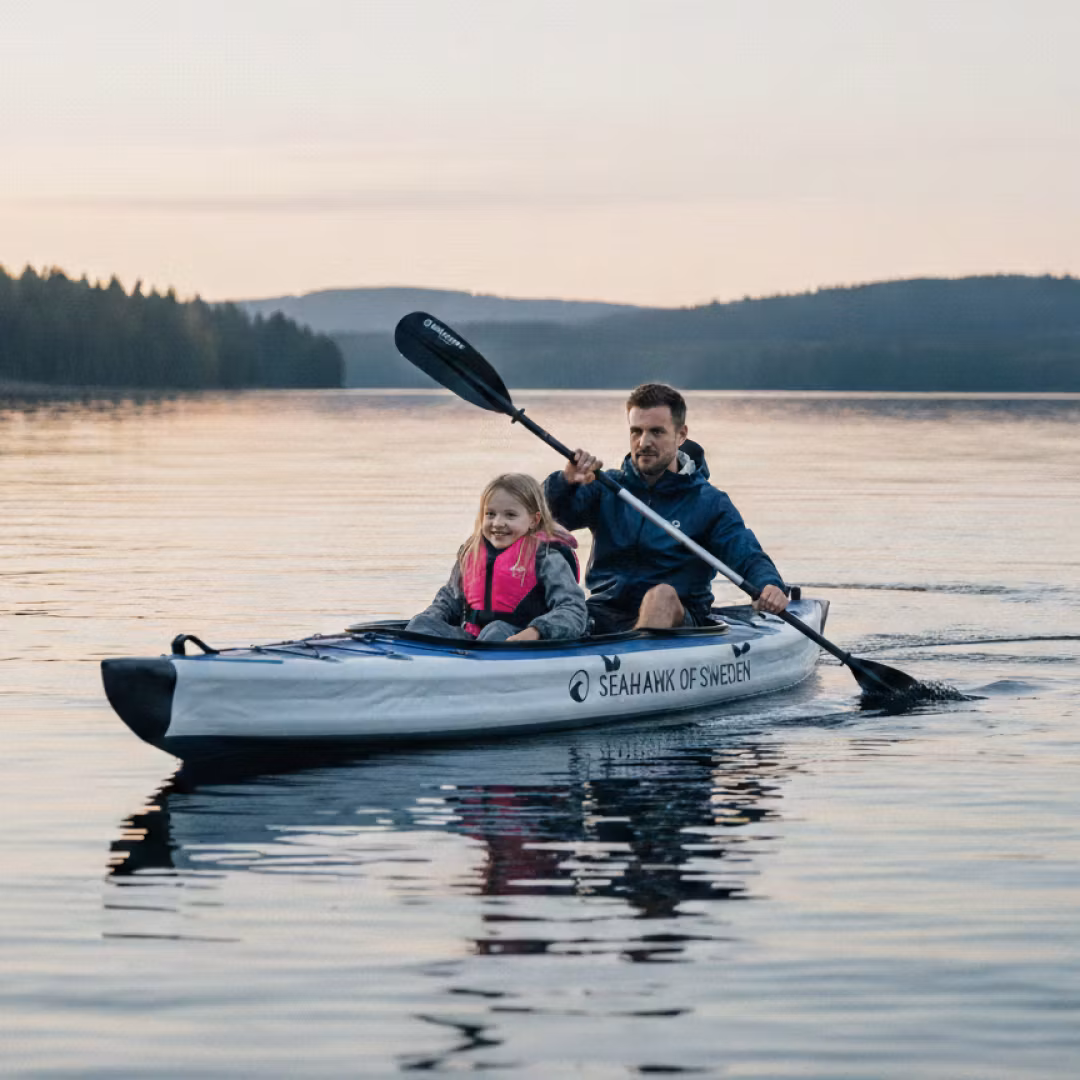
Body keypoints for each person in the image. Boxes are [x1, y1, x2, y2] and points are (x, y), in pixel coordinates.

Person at [544, 383, 789, 635]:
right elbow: (537, 517)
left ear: (681, 435)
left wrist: (769, 584)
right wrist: (565, 482)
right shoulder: (604, 487)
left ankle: (637, 652)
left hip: (678, 619)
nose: (644, 442)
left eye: (656, 432)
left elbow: (745, 553)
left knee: (660, 596)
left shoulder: (709, 502)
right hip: (604, 611)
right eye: (636, 431)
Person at [407, 473, 588, 642]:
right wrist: (427, 622)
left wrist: (536, 631)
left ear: (534, 520)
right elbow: (449, 600)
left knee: (496, 630)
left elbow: (574, 610)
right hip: (471, 641)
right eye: (490, 514)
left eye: (510, 515)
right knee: (420, 623)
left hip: (521, 641)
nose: (498, 523)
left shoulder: (547, 557)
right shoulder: (471, 552)